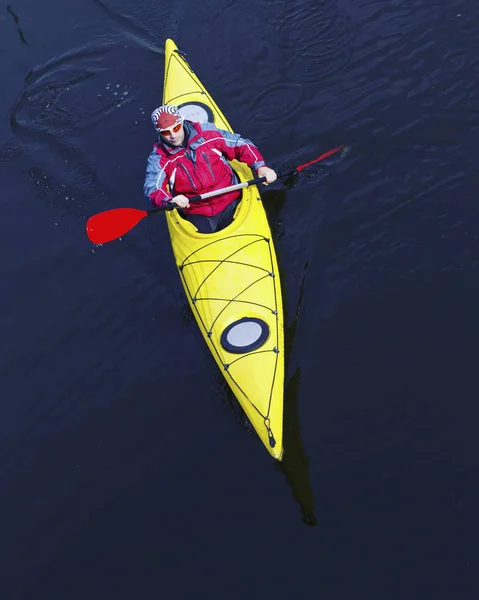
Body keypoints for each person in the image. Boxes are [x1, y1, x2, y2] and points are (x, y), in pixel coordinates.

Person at [143, 104, 277, 233]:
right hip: (197, 211)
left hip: (232, 198)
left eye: (176, 128)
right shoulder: (158, 158)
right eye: (166, 132)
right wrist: (169, 200)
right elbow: (153, 188)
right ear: (159, 133)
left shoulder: (207, 134)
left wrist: (261, 167)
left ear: (182, 122)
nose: (173, 136)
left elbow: (240, 145)